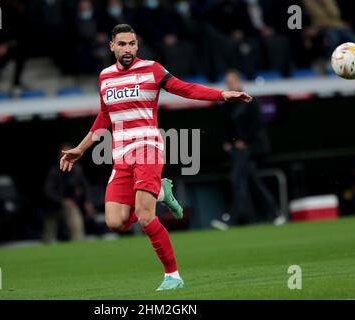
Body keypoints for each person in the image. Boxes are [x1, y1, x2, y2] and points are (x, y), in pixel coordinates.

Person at [59, 24, 252, 291]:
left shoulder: (152, 69)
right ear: (112, 46)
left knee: (146, 216)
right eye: (122, 44)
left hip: (148, 148)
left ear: (137, 46)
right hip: (120, 155)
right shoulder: (105, 77)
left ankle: (172, 275)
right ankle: (162, 192)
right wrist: (81, 148)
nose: (128, 49)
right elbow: (105, 116)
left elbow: (184, 88)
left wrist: (221, 95)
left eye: (132, 44)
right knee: (115, 222)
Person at [211, 70, 285, 231]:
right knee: (253, 182)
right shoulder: (228, 103)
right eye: (227, 82)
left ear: (238, 81)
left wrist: (244, 141)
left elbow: (257, 124)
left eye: (232, 81)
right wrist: (228, 142)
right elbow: (228, 126)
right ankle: (275, 213)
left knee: (236, 178)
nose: (229, 85)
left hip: (252, 148)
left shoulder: (248, 99)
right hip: (239, 149)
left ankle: (230, 218)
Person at [43, 144, 96, 243]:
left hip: (71, 206)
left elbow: (86, 187)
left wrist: (88, 202)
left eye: (70, 154)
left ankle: (78, 243)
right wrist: (62, 201)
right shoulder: (54, 171)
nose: (68, 157)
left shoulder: (77, 170)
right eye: (65, 154)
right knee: (48, 235)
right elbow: (48, 191)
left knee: (76, 223)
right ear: (60, 155)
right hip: (54, 207)